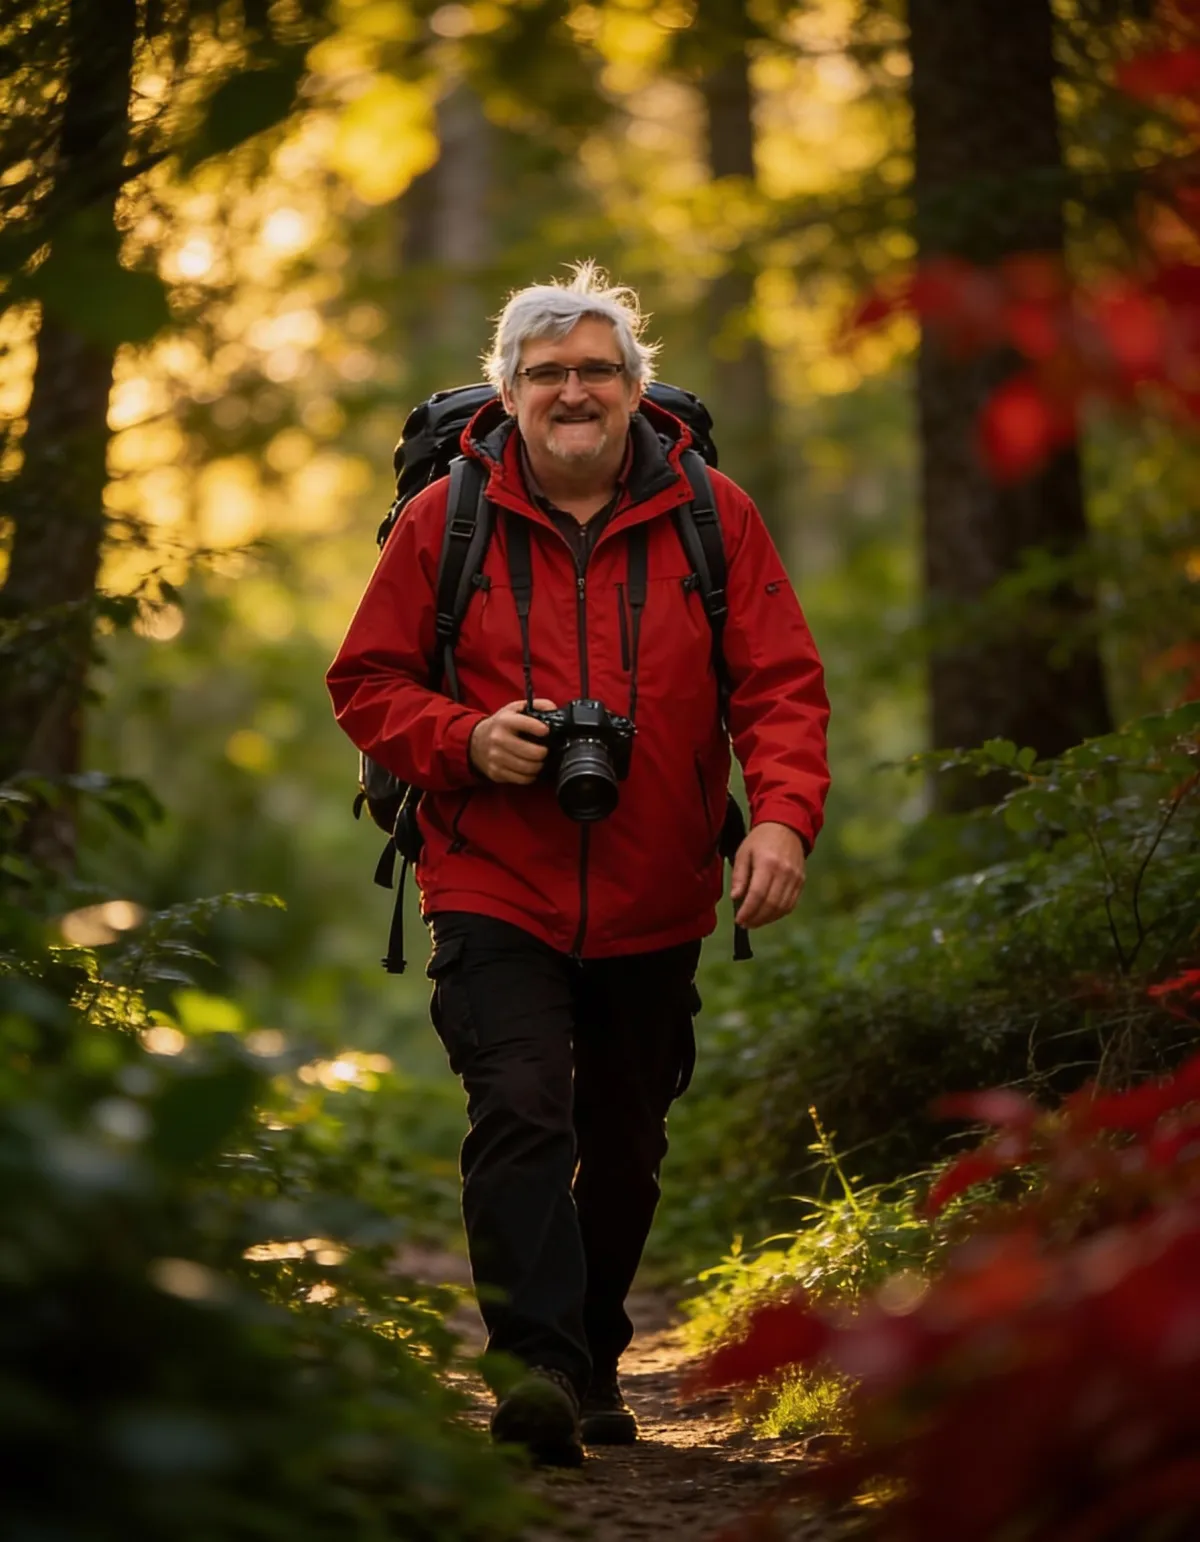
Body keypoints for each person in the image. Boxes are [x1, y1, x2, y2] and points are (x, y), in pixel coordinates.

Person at [326, 263, 830, 1467]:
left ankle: (597, 1349)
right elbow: (366, 683)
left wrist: (781, 820)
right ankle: (536, 1366)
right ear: (506, 394)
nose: (572, 392)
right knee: (519, 1107)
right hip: (491, 877)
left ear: (633, 389)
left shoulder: (716, 515)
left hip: (659, 888)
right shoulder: (441, 520)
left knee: (628, 1137)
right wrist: (466, 739)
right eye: (546, 374)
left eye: (595, 371)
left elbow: (780, 685)